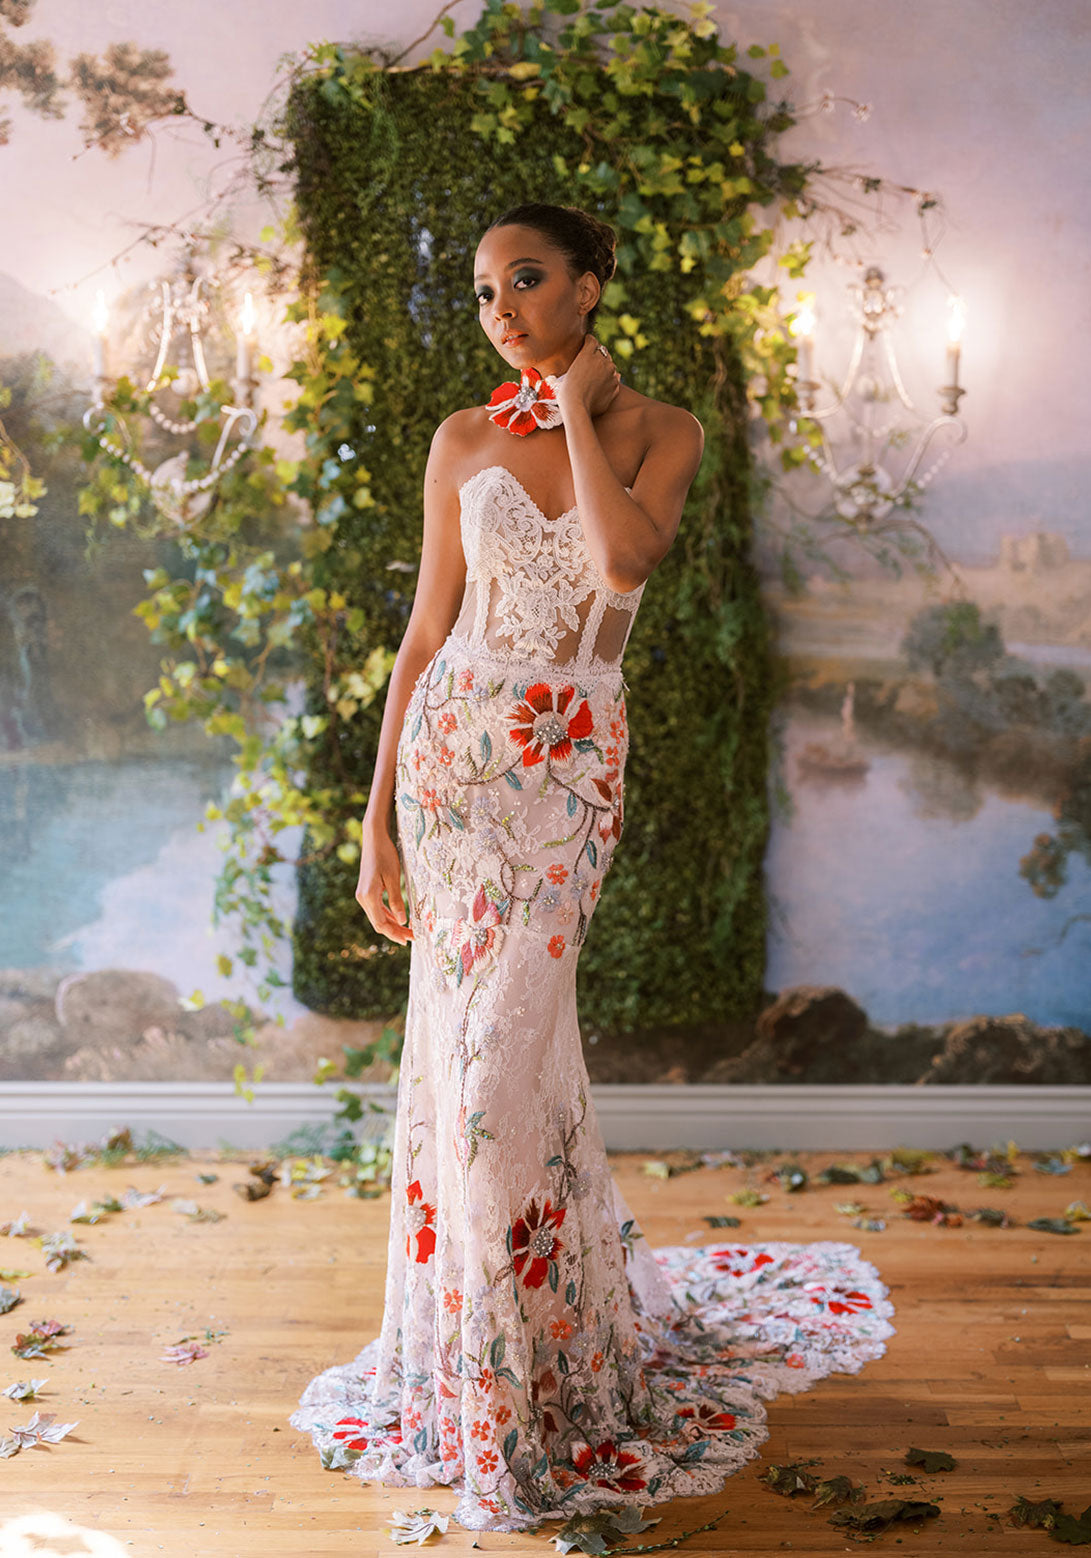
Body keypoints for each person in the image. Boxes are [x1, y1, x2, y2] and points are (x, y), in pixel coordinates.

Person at [289, 202, 893, 1534]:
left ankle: (549, 1381)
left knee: (508, 1069)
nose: (500, 308)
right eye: (484, 290)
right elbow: (424, 632)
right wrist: (375, 816)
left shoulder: (659, 431)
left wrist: (568, 400)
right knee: (459, 1073)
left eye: (527, 281)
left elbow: (622, 559)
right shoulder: (460, 439)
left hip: (565, 775)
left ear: (591, 283)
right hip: (453, 772)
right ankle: (486, 1376)